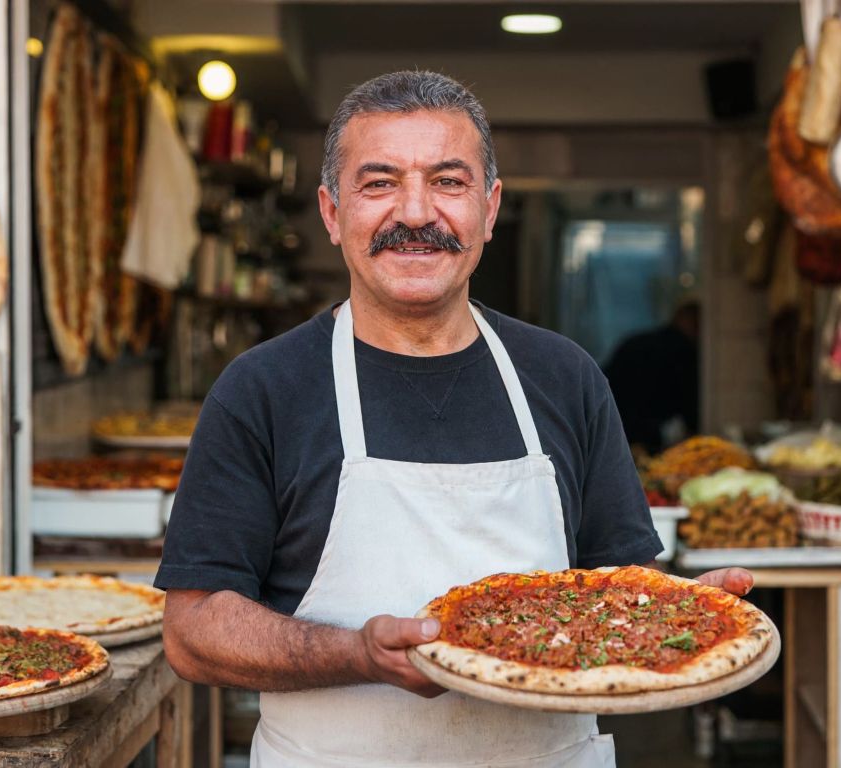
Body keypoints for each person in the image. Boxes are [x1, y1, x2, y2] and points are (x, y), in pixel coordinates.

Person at [154, 70, 752, 767]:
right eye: (379, 183)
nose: (415, 212)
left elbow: (619, 588)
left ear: (490, 208)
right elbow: (192, 629)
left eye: (448, 181)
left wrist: (676, 614)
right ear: (330, 211)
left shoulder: (565, 376)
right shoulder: (261, 390)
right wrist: (357, 654)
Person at [604, 301, 701, 454]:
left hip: (617, 428)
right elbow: (690, 403)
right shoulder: (684, 352)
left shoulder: (635, 342)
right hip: (655, 435)